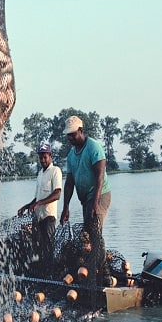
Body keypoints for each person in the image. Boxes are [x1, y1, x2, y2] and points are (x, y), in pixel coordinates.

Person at [60, 116, 111, 288]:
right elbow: (69, 183)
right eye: (68, 135)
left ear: (81, 131)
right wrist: (65, 207)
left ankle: (104, 272)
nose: (70, 138)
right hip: (86, 199)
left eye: (73, 135)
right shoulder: (72, 156)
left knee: (95, 230)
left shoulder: (93, 147)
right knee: (88, 233)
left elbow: (99, 176)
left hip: (100, 194)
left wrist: (95, 203)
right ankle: (94, 267)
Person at [17, 142, 63, 268]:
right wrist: (26, 206)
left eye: (45, 157)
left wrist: (39, 203)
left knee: (48, 247)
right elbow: (37, 198)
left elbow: (57, 194)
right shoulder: (40, 174)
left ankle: (50, 272)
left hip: (49, 217)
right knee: (38, 247)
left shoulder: (55, 171)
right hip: (38, 217)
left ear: (50, 156)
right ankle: (41, 271)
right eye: (40, 157)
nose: (42, 160)